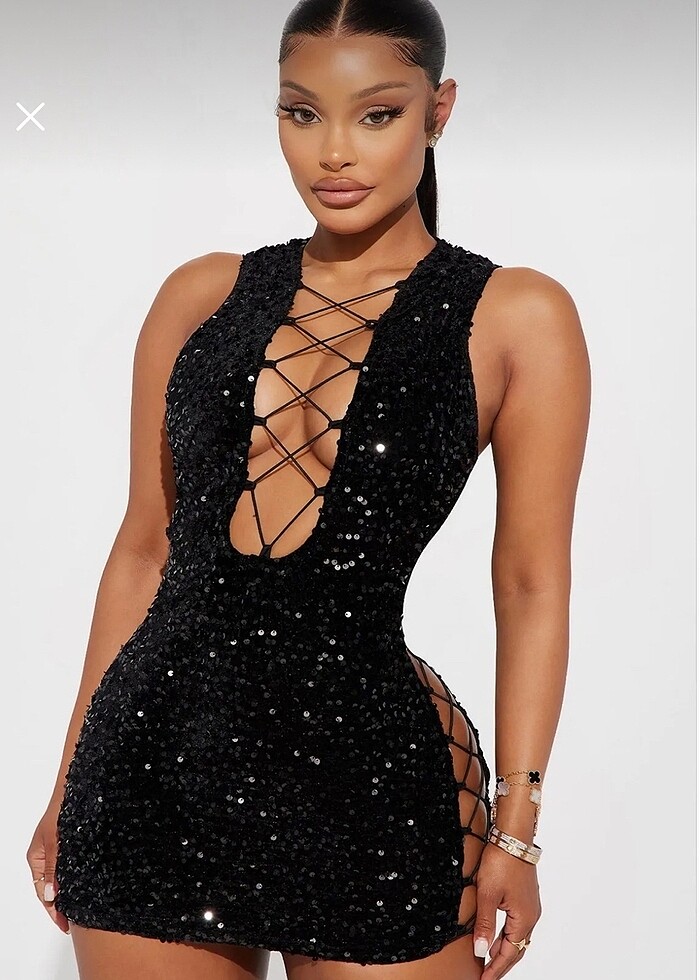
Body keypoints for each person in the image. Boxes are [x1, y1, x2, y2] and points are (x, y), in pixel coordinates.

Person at [26, 1, 590, 978]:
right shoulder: (200, 295)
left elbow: (531, 582)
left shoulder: (515, 316)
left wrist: (518, 831)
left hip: (369, 780)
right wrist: (68, 783)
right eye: (301, 112)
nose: (333, 151)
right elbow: (145, 549)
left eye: (376, 114)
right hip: (156, 766)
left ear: (438, 111)